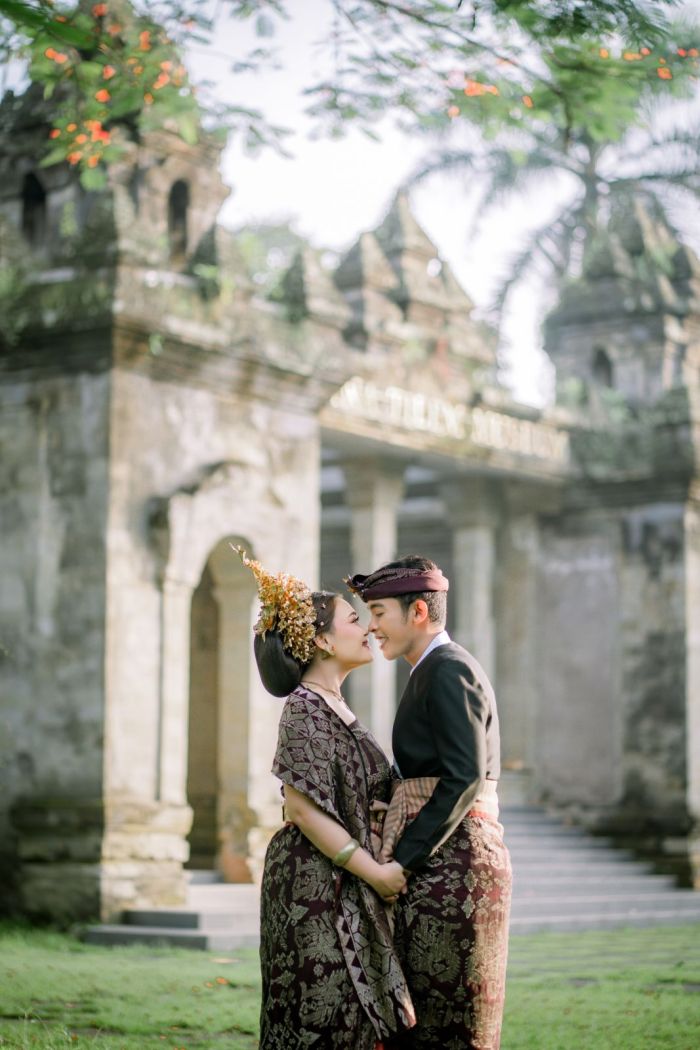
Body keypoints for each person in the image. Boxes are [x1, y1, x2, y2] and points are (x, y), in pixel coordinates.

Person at [236, 548, 416, 1050]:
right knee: (326, 1016)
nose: (368, 629)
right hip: (314, 886)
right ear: (322, 640)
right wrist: (375, 872)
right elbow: (302, 809)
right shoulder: (305, 707)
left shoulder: (336, 706)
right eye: (355, 620)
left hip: (342, 878)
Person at [347, 554, 512, 1050]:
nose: (371, 627)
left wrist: (403, 860)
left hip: (457, 865)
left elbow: (464, 776)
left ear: (418, 611)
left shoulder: (449, 669)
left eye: (379, 613)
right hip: (442, 861)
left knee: (451, 1019)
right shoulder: (431, 670)